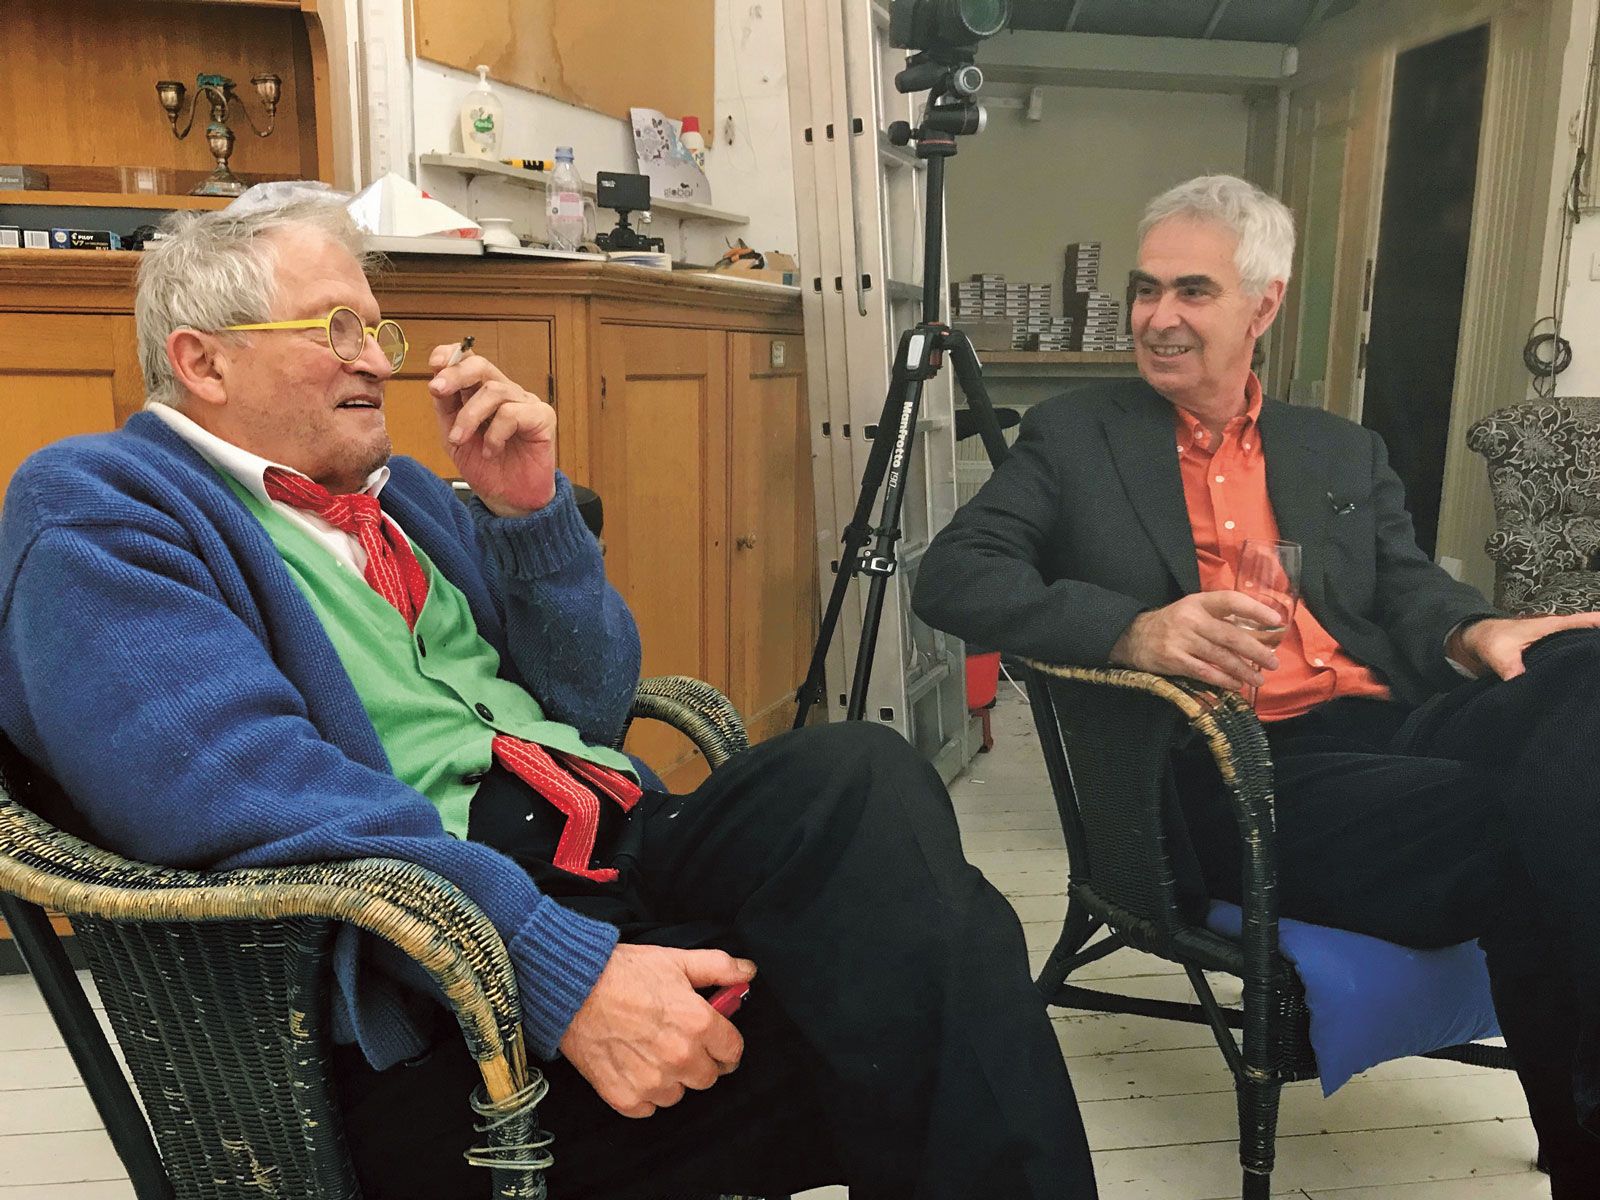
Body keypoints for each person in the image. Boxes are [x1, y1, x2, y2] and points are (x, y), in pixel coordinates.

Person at [0, 200, 1099, 1200]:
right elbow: (244, 790)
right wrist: (558, 972)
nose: (375, 360)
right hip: (431, 992)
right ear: (202, 360)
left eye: (376, 331)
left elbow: (592, 705)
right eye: (334, 328)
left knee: (856, 776)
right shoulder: (102, 510)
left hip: (612, 850)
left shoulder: (406, 496)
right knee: (940, 985)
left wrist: (532, 519)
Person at [914, 174, 1600, 1198]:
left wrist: (1475, 628)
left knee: (1581, 670)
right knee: (1538, 813)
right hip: (1233, 765)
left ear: (1262, 305)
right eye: (1146, 290)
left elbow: (1405, 586)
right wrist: (1135, 630)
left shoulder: (1339, 447)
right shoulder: (1076, 437)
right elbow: (954, 575)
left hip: (1392, 726)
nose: (1157, 317)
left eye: (1192, 291)